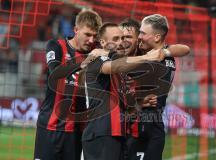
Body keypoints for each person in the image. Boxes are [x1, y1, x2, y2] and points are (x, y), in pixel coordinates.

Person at [82, 22, 167, 160]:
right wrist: (146, 57)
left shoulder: (120, 72)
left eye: (122, 38)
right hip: (101, 134)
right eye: (116, 39)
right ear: (102, 42)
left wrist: (139, 104)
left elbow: (124, 111)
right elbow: (112, 67)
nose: (121, 42)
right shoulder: (96, 58)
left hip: (117, 135)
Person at [34, 10, 103, 160]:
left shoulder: (97, 52)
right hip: (49, 127)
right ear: (76, 30)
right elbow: (56, 73)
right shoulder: (56, 45)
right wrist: (87, 60)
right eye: (87, 34)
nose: (91, 40)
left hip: (76, 131)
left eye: (94, 36)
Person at [124, 14, 180, 160]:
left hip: (143, 126)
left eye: (142, 33)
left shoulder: (152, 62)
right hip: (148, 125)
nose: (139, 37)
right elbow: (184, 49)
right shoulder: (167, 56)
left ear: (156, 37)